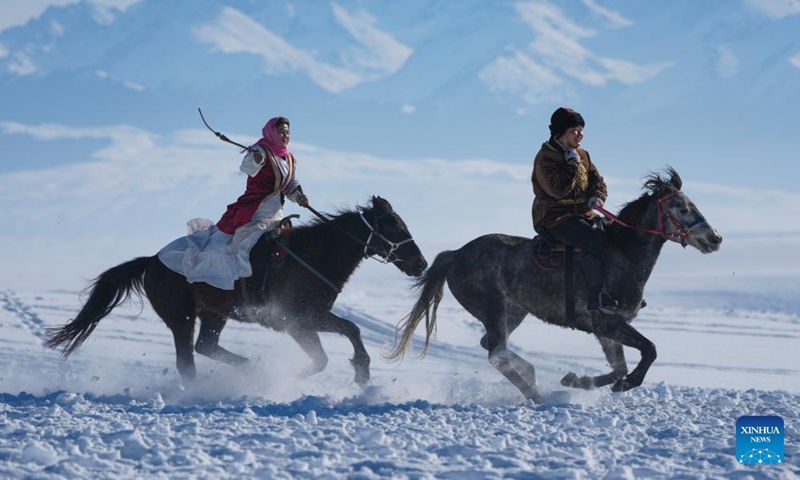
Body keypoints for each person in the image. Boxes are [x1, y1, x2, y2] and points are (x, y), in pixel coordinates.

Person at [158, 116, 308, 308]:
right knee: (255, 247)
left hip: (277, 215)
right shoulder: (260, 149)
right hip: (256, 212)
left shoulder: (289, 158)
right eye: (281, 132)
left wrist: (299, 196)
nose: (285, 136)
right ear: (272, 132)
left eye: (287, 132)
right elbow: (248, 168)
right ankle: (252, 296)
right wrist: (256, 160)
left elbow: (290, 185)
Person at [530, 107, 618, 313]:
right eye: (574, 130)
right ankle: (595, 295)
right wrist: (571, 164)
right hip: (554, 217)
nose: (580, 134)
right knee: (591, 239)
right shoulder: (545, 158)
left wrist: (597, 196)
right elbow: (558, 190)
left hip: (583, 214)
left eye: (581, 129)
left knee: (617, 235)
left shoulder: (582, 154)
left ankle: (619, 290)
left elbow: (597, 181)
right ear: (559, 133)